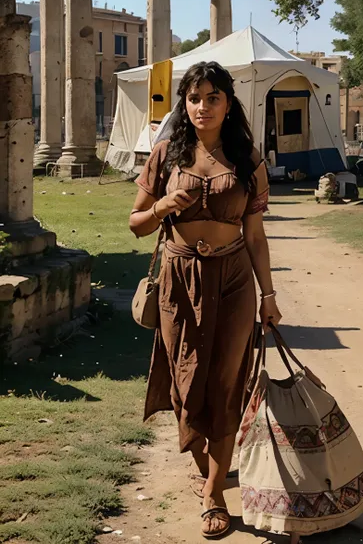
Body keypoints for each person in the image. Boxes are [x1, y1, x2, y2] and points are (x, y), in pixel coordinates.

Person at [130, 61, 282, 539]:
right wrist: (161, 207)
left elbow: (255, 235)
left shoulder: (247, 158)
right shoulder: (165, 154)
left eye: (213, 97)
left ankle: (214, 491)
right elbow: (136, 223)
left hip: (235, 278)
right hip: (178, 279)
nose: (202, 107)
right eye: (194, 98)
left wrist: (270, 295)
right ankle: (207, 463)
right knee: (185, 379)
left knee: (226, 378)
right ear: (184, 103)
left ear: (229, 102)